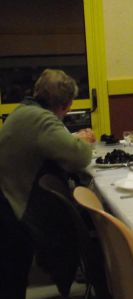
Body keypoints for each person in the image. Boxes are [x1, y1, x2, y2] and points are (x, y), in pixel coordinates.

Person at [0, 69, 93, 299]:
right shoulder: (40, 119)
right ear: (66, 105)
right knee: (12, 279)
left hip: (7, 197)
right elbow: (79, 157)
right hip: (12, 208)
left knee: (11, 278)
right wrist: (84, 141)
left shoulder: (24, 111)